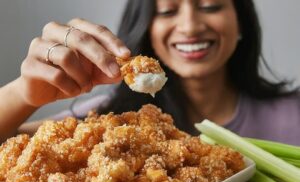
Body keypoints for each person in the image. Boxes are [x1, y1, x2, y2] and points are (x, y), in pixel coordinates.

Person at [0, 0, 300, 145]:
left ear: (242, 22)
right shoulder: (107, 122)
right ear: (146, 30)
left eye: (210, 6)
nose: (190, 27)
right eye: (168, 11)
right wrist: (22, 95)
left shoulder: (293, 114)